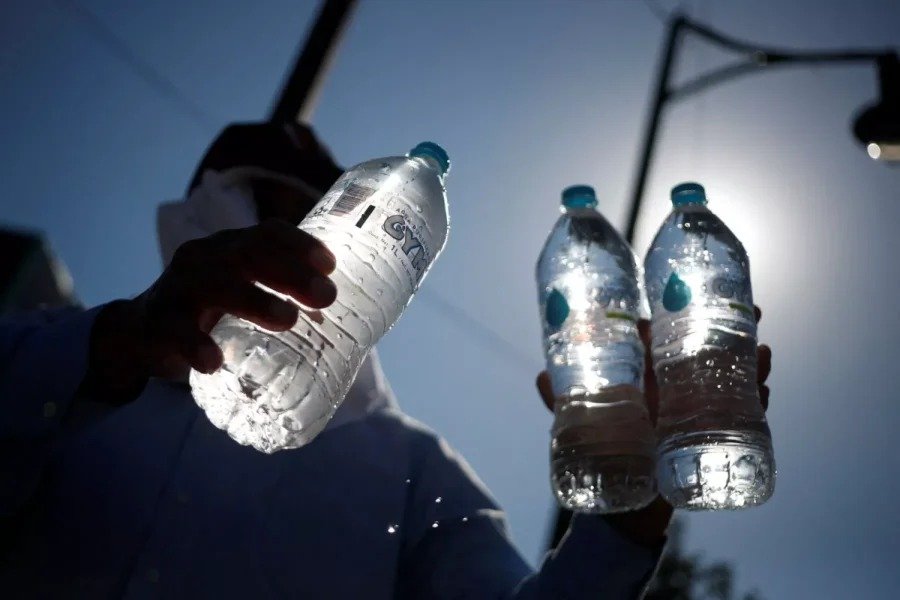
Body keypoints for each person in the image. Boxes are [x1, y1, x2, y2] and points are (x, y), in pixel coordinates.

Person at [0, 121, 773, 599]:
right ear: (204, 218)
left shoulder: (410, 470)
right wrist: (115, 348)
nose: (284, 246)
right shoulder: (52, 355)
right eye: (258, 215)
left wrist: (627, 525)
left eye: (309, 221)